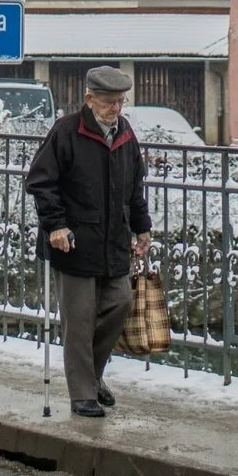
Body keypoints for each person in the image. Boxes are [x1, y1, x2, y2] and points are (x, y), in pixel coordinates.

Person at [23, 64, 152, 418]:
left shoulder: (125, 134)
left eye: (120, 101)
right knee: (78, 320)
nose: (116, 108)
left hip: (113, 242)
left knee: (121, 302)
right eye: (109, 101)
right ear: (89, 99)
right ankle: (82, 394)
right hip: (74, 242)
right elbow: (40, 181)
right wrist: (56, 226)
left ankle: (91, 377)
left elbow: (134, 188)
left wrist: (142, 228)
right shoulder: (66, 131)